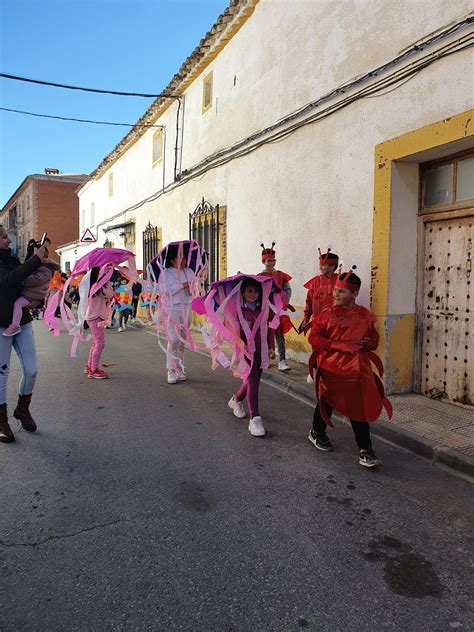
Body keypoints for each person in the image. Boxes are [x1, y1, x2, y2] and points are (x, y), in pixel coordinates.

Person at [307, 268, 392, 468]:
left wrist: (368, 343)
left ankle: (365, 449)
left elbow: (374, 339)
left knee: (358, 407)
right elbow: (314, 338)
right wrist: (338, 345)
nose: (335, 294)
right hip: (331, 369)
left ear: (354, 293)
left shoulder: (365, 315)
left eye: (341, 291)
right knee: (327, 402)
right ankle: (316, 432)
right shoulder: (325, 315)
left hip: (358, 371)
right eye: (335, 290)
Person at [0, 226, 46, 442]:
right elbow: (8, 279)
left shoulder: (10, 258)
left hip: (22, 321)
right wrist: (35, 260)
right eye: (3, 237)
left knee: (32, 370)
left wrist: (31, 254)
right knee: (2, 374)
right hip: (1, 324)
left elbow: (22, 278)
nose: (8, 240)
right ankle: (1, 422)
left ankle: (22, 410)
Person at [227, 277, 279, 437]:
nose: (253, 294)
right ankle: (254, 418)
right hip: (245, 352)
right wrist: (238, 342)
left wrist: (271, 346)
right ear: (242, 292)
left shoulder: (262, 309)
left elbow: (269, 329)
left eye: (256, 291)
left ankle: (236, 399)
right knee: (253, 381)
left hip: (261, 350)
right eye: (250, 290)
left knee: (254, 380)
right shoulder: (238, 310)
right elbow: (231, 329)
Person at [3, 240, 59, 337]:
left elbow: (35, 280)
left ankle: (15, 325)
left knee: (18, 304)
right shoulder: (42, 267)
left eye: (36, 257)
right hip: (32, 293)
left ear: (44, 258)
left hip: (33, 295)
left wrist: (22, 280)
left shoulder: (46, 270)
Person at [157, 245, 194, 384]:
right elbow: (165, 291)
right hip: (171, 309)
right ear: (172, 260)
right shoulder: (165, 273)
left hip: (187, 307)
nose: (183, 260)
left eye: (184, 258)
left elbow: (194, 288)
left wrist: (194, 287)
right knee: (173, 340)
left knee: (182, 341)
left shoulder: (189, 271)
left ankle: (180, 368)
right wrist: (183, 285)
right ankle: (170, 370)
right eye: (180, 258)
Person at [259, 242, 292, 371]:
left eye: (273, 261)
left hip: (278, 310)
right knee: (265, 334)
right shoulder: (260, 276)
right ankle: (265, 358)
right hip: (266, 310)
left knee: (279, 335)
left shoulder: (281, 275)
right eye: (269, 261)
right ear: (263, 261)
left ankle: (282, 360)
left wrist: (284, 304)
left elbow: (287, 289)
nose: (271, 263)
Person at [84, 267, 114, 379]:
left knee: (96, 343)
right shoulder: (99, 288)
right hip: (95, 317)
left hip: (92, 317)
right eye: (104, 273)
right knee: (100, 343)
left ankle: (90, 366)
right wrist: (107, 281)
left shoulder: (93, 287)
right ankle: (93, 370)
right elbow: (110, 294)